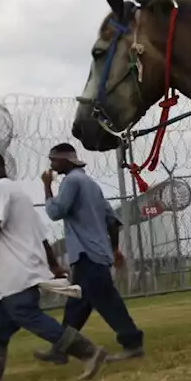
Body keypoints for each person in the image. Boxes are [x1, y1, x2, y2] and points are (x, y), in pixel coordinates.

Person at [0, 151, 109, 381]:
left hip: (17, 271)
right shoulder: (18, 193)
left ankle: (90, 352)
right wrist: (52, 265)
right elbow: (41, 236)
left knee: (27, 315)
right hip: (3, 277)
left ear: (1, 167)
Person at [34, 143, 145, 364]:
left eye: (54, 160)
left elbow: (56, 212)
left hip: (86, 253)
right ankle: (61, 349)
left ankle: (132, 343)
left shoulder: (72, 181)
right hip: (96, 252)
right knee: (77, 305)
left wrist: (47, 187)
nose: (52, 166)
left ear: (66, 160)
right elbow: (112, 220)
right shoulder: (91, 184)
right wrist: (114, 249)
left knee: (106, 300)